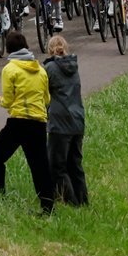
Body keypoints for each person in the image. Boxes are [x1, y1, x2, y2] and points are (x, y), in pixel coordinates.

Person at [0, 29, 54, 214]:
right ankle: (48, 207)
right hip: (39, 123)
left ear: (9, 50)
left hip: (18, 123)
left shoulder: (10, 69)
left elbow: (8, 101)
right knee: (40, 167)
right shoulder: (40, 70)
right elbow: (47, 99)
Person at [42, 35, 86, 206]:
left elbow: (43, 93)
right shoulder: (74, 66)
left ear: (49, 49)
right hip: (77, 119)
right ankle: (83, 200)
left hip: (59, 122)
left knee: (57, 166)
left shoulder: (50, 68)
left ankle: (70, 201)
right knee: (75, 165)